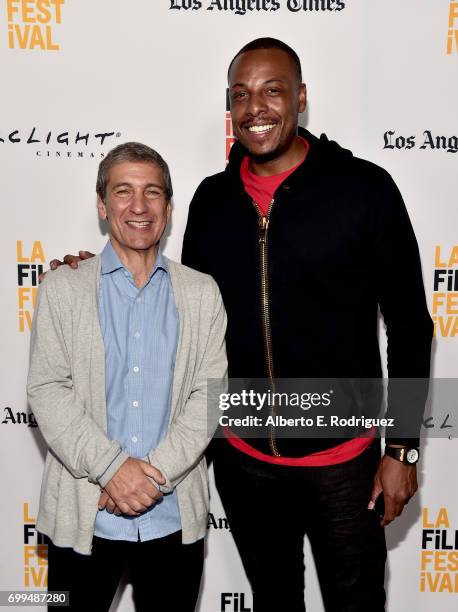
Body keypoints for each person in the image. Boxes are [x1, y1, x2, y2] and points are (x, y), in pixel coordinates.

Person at [49, 39, 433, 611]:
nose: (256, 106)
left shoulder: (364, 189)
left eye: (272, 90)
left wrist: (401, 449)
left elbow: (410, 322)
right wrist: (88, 272)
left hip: (345, 464)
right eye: (241, 94)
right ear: (229, 109)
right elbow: (173, 293)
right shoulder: (211, 200)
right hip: (246, 463)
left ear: (301, 98)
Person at [28, 142, 227, 612]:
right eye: (123, 191)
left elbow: (208, 396)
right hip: (85, 517)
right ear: (102, 205)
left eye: (152, 192)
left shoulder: (201, 293)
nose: (139, 206)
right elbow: (47, 389)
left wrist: (149, 480)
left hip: (172, 518)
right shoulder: (63, 287)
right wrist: (113, 469)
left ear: (168, 207)